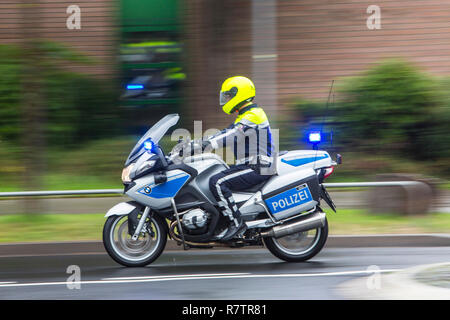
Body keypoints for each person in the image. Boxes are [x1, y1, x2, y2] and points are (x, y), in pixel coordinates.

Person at [200, 76, 276, 241]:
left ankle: (237, 223)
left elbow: (232, 135)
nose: (225, 99)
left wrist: (205, 143)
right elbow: (224, 133)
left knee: (217, 182)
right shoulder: (245, 116)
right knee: (218, 172)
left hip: (258, 166)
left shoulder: (254, 115)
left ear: (239, 94)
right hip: (251, 165)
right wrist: (196, 143)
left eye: (228, 96)